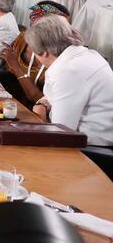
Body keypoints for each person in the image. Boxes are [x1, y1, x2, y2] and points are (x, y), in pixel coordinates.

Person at [25, 16, 113, 146]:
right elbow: (58, 95)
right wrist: (43, 104)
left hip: (92, 147)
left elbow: (60, 133)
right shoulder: (87, 55)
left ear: (44, 52)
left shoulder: (68, 71)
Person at [0, 1, 70, 106]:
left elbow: (40, 99)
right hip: (12, 102)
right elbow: (11, 76)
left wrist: (16, 67)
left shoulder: (58, 54)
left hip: (38, 111)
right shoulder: (22, 39)